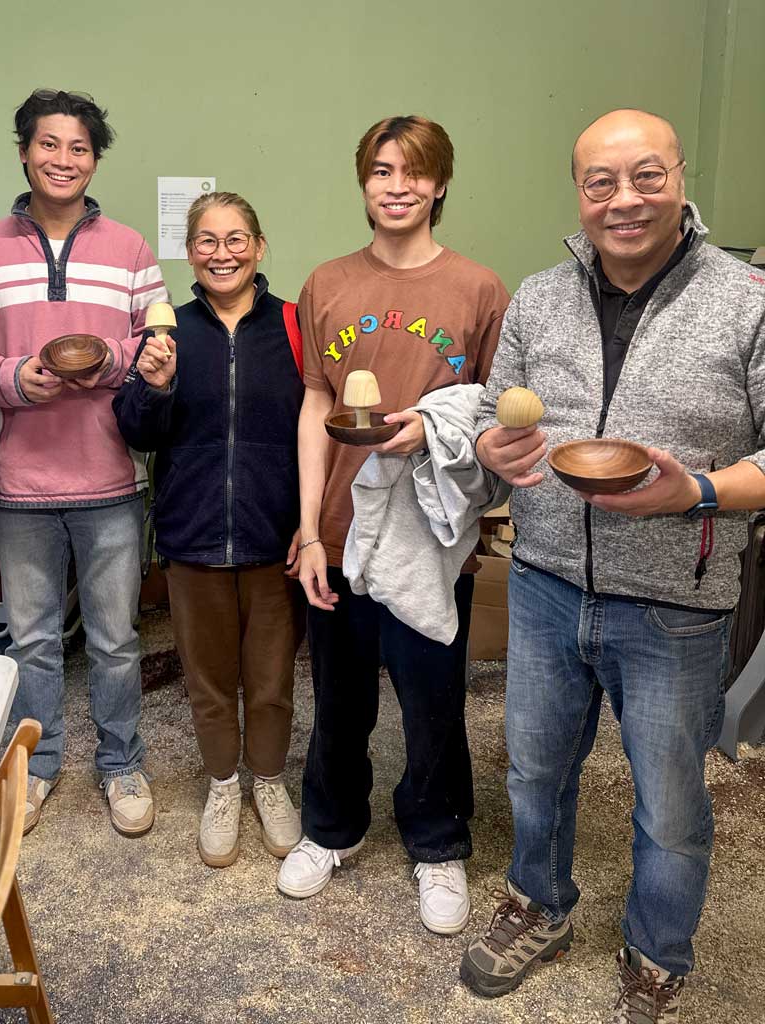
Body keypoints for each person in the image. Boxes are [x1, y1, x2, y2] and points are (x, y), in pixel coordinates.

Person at [460, 109, 765, 1022]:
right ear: (579, 192)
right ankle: (540, 902)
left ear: (680, 179)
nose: (623, 199)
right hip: (545, 582)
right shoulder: (538, 296)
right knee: (533, 772)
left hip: (676, 604)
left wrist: (697, 493)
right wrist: (490, 445)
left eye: (645, 176)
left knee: (669, 804)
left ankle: (657, 952)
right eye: (601, 181)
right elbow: (493, 415)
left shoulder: (747, 300)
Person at [277, 115, 509, 935]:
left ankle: (438, 843)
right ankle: (330, 828)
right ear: (363, 182)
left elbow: (491, 413)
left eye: (414, 171)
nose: (397, 186)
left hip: (431, 538)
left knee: (433, 704)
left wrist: (434, 431)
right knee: (339, 702)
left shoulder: (478, 289)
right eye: (381, 170)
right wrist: (310, 530)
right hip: (341, 532)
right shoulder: (328, 282)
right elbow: (315, 402)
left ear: (440, 184)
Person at [0, 89, 168, 837]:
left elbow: (157, 342)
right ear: (24, 151)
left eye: (79, 147)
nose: (63, 159)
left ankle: (122, 763)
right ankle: (38, 767)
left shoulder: (130, 248)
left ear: (94, 160)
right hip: (20, 482)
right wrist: (14, 377)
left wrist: (110, 359)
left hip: (110, 478)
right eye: (49, 144)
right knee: (32, 642)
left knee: (116, 641)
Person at [113, 192, 305, 867]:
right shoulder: (168, 333)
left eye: (236, 239)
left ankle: (270, 782)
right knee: (209, 680)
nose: (222, 253)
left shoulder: (294, 326)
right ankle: (224, 785)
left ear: (258, 245)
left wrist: (309, 524)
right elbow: (135, 431)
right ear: (190, 251)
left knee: (272, 680)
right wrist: (155, 386)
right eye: (207, 241)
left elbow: (317, 430)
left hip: (274, 538)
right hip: (192, 537)